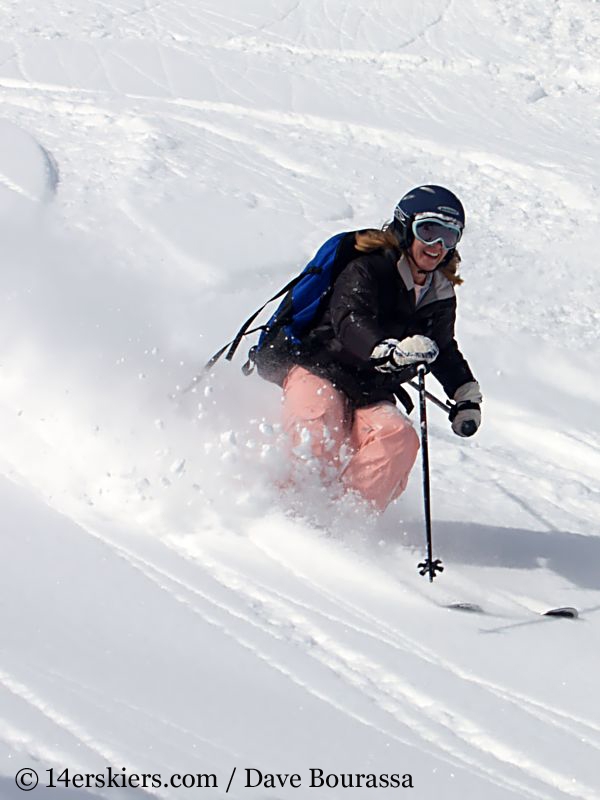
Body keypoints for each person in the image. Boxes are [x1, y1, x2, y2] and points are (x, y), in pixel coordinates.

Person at [265, 185, 482, 512]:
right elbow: (349, 318)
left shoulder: (439, 291)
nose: (437, 246)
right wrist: (385, 350)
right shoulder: (368, 268)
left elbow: (442, 347)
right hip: (321, 367)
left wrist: (464, 392)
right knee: (317, 424)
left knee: (397, 438)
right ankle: (284, 512)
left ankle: (343, 520)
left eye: (449, 236)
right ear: (405, 227)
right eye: (429, 230)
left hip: (370, 387)